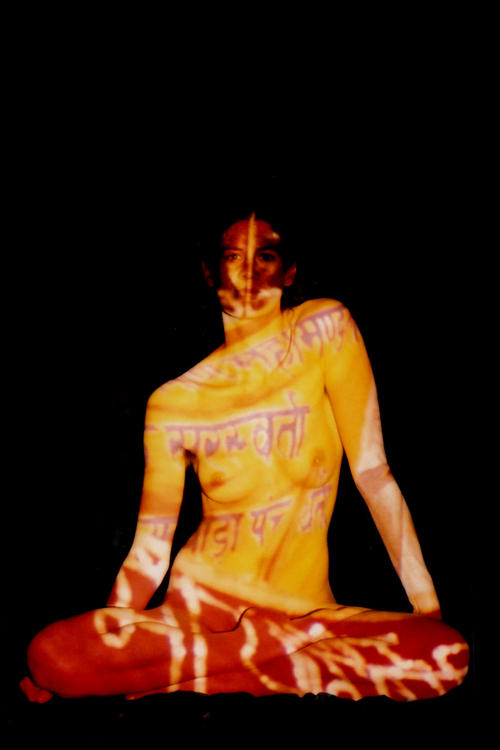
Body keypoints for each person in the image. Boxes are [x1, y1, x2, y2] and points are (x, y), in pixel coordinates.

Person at [21, 213, 469, 704]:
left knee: (446, 654)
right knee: (51, 655)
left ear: (289, 271)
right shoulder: (174, 402)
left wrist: (426, 606)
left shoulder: (324, 329)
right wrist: (114, 631)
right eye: (233, 257)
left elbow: (373, 473)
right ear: (211, 271)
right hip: (199, 611)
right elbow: (150, 551)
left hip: (309, 612)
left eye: (266, 256)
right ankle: (266, 655)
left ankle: (197, 675)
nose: (249, 272)